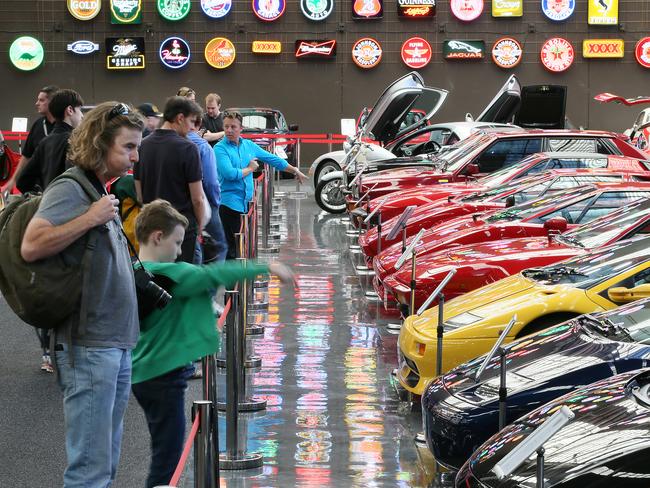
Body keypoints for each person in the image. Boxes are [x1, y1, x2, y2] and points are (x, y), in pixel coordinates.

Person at [20, 102, 144, 487]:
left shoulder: (96, 189)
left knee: (104, 460)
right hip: (89, 345)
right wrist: (90, 217)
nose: (135, 156)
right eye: (127, 147)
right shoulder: (71, 188)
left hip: (113, 341)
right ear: (99, 144)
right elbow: (32, 244)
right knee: (89, 468)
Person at [131, 199, 292, 488]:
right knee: (167, 460)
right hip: (165, 376)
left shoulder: (134, 269)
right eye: (177, 242)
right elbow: (216, 273)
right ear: (157, 236)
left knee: (163, 451)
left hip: (142, 372)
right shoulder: (174, 274)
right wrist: (267, 266)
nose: (181, 251)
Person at [215, 110, 307, 259]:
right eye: (226, 127)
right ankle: (232, 281)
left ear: (241, 128)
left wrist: (295, 170)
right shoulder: (219, 149)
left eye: (233, 127)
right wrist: (250, 169)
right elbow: (230, 174)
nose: (229, 130)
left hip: (246, 204)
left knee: (243, 247)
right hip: (229, 205)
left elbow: (273, 159)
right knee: (232, 250)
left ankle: (242, 278)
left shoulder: (249, 146)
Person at [134, 96, 208, 264]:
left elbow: (139, 194)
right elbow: (197, 199)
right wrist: (200, 225)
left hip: (150, 230)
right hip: (181, 230)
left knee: (155, 283)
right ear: (180, 118)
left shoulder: (143, 145)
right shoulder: (189, 148)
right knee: (180, 285)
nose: (191, 128)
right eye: (191, 121)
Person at [17, 88, 85, 194]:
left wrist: (41, 196)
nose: (82, 115)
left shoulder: (44, 142)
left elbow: (22, 182)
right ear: (70, 110)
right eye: (80, 109)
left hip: (47, 205)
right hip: (69, 206)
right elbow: (76, 182)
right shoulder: (74, 141)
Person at [187, 115, 228, 262]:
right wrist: (215, 203)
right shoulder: (203, 146)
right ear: (198, 125)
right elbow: (211, 182)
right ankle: (211, 285)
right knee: (219, 246)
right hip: (203, 202)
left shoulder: (154, 143)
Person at [4, 85, 59, 192]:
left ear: (52, 102)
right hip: (40, 185)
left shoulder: (65, 125)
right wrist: (13, 180)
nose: (37, 103)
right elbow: (26, 155)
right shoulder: (38, 125)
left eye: (41, 100)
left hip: (59, 184)